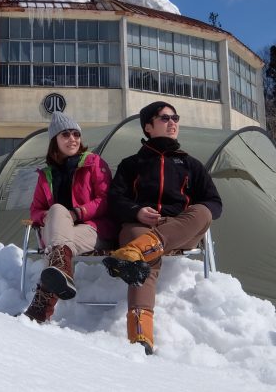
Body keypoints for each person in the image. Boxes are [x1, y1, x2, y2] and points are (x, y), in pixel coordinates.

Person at [104, 101, 222, 354]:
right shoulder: (131, 164)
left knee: (202, 211)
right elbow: (114, 200)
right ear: (148, 126)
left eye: (175, 118)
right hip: (138, 226)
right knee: (144, 255)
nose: (173, 123)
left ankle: (135, 253)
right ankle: (140, 334)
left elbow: (214, 202)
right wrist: (136, 211)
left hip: (179, 228)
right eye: (165, 118)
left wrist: (185, 218)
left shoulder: (190, 164)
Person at [24, 111, 116, 323]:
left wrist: (78, 213)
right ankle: (60, 270)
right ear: (54, 140)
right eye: (65, 135)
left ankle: (40, 309)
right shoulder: (46, 174)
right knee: (56, 212)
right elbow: (35, 210)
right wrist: (51, 216)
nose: (72, 139)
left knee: (56, 245)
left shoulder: (93, 163)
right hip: (61, 233)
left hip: (94, 229)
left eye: (76, 134)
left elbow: (106, 200)